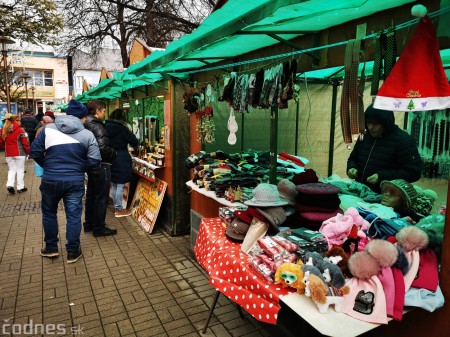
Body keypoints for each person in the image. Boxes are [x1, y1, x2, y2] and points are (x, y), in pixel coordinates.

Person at [29, 99, 101, 263]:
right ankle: (73, 251)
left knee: (49, 214)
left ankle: (51, 248)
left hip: (50, 180)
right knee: (74, 216)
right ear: (82, 117)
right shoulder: (87, 134)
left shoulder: (48, 130)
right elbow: (95, 159)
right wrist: (80, 168)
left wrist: (48, 166)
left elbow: (35, 151)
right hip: (74, 182)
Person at [347, 104, 422, 193]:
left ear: (386, 123)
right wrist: (352, 167)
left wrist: (382, 176)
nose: (370, 127)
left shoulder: (404, 141)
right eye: (368, 122)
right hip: (359, 192)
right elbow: (353, 159)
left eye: (375, 123)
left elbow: (413, 172)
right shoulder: (364, 137)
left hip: (386, 198)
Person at [83, 99, 118, 236]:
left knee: (91, 195)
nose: (104, 114)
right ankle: (98, 227)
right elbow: (103, 149)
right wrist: (114, 153)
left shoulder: (86, 124)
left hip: (91, 164)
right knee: (101, 197)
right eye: (103, 111)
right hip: (102, 165)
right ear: (97, 111)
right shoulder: (97, 126)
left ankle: (89, 224)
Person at [104, 108, 138, 217]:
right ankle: (119, 209)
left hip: (109, 157)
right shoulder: (122, 128)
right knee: (120, 184)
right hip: (121, 157)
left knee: (114, 183)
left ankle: (116, 207)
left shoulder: (105, 127)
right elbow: (134, 141)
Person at [3, 113, 30, 194]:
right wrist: (28, 152)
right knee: (20, 170)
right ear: (15, 121)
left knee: (11, 170)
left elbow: (2, 142)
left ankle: (9, 185)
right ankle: (20, 187)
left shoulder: (4, 129)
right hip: (20, 153)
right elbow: (25, 143)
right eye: (19, 120)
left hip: (8, 153)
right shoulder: (20, 130)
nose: (20, 122)